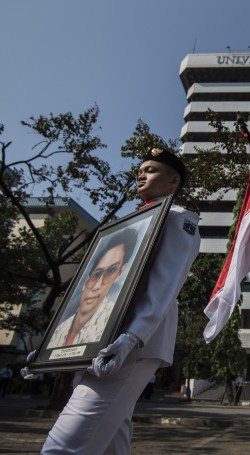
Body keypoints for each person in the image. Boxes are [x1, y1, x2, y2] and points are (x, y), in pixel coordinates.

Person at [24, 148, 201, 454]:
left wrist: (133, 336)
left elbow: (166, 283)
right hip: (102, 339)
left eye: (151, 170)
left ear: (174, 181)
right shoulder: (133, 222)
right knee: (111, 440)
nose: (141, 175)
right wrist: (51, 350)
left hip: (132, 342)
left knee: (64, 445)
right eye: (139, 171)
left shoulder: (177, 218)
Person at [46, 229, 137, 349]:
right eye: (96, 274)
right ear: (85, 282)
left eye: (111, 271)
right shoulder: (59, 329)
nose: (97, 286)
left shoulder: (113, 322)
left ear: (120, 272)